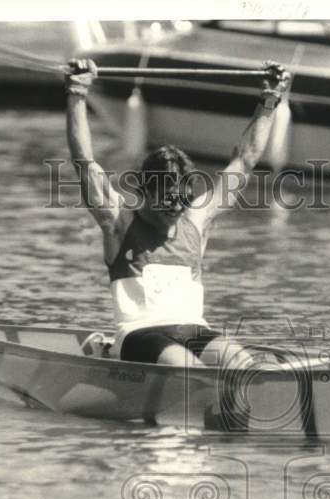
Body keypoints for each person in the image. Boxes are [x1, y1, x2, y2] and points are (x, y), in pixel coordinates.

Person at [64, 58, 291, 369]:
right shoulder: (119, 222)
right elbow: (84, 161)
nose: (176, 208)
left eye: (183, 200)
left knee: (244, 365)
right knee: (188, 369)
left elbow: (244, 162)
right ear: (145, 191)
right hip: (139, 333)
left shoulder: (196, 222)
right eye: (168, 200)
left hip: (193, 328)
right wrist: (78, 92)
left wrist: (269, 99)